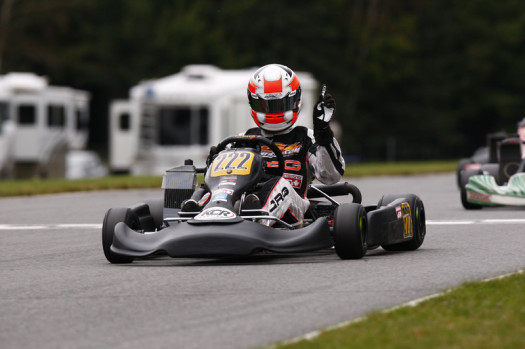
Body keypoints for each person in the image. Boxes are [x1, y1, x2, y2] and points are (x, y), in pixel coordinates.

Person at [183, 64, 345, 226]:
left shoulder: (308, 137)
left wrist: (323, 132)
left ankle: (256, 221)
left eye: (279, 105)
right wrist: (215, 162)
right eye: (265, 106)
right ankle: (192, 217)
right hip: (240, 203)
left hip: (291, 209)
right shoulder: (241, 140)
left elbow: (331, 176)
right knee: (209, 189)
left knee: (280, 183)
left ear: (295, 101)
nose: (272, 112)